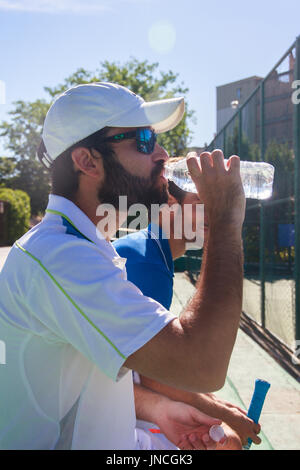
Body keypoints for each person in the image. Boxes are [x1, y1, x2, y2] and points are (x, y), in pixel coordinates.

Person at [0, 82, 245, 450]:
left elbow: (86, 382)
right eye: (144, 140)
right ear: (86, 161)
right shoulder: (61, 258)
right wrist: (226, 219)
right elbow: (203, 364)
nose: (162, 153)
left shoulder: (84, 248)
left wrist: (161, 410)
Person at [113, 175, 261, 450]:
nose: (213, 213)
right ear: (170, 204)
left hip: (112, 394)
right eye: (201, 203)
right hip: (96, 410)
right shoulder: (145, 262)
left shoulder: (151, 251)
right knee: (227, 443)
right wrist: (224, 415)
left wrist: (214, 403)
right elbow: (153, 376)